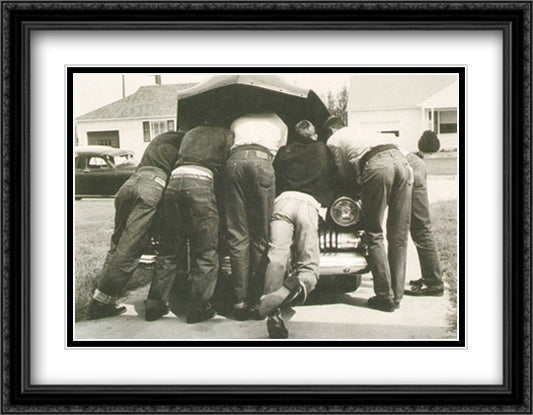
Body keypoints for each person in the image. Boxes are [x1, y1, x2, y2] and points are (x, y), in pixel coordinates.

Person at [87, 131, 185, 320]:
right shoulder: (185, 143)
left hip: (130, 183)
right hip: (153, 185)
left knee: (116, 246)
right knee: (130, 249)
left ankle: (102, 296)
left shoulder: (162, 138)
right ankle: (100, 304)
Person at [144, 125, 234, 323]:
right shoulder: (225, 134)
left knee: (170, 249)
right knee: (206, 250)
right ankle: (198, 308)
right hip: (200, 182)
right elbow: (227, 170)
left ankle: (154, 304)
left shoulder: (191, 133)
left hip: (175, 181)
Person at [325, 116, 413, 312]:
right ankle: (397, 296)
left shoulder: (333, 139)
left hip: (377, 164)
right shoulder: (360, 130)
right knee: (398, 234)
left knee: (373, 232)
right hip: (402, 162)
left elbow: (341, 170)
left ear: (331, 129)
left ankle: (384, 296)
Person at [258, 120, 337, 338]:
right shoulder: (322, 149)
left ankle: (273, 313)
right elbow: (334, 177)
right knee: (309, 265)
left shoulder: (284, 151)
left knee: (277, 256)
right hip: (308, 205)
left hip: (283, 202)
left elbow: (273, 178)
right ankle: (293, 288)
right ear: (313, 135)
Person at [224, 112, 288, 320]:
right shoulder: (279, 122)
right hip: (262, 162)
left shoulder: (237, 120)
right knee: (261, 235)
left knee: (238, 235)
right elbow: (279, 156)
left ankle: (238, 301)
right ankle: (256, 301)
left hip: (234, 163)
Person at [405, 136, 444, 296]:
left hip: (413, 170)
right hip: (414, 168)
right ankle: (430, 276)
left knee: (421, 230)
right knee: (419, 230)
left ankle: (434, 283)